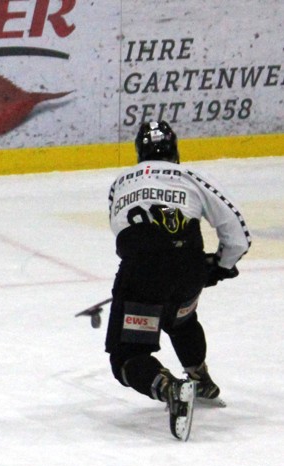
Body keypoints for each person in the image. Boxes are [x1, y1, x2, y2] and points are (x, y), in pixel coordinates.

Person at [105, 120, 251, 439]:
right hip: (187, 269)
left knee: (127, 356)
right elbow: (238, 235)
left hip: (141, 275)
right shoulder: (190, 177)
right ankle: (199, 378)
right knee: (180, 318)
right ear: (175, 150)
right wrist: (220, 266)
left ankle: (169, 387)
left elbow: (124, 235)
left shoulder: (120, 182)